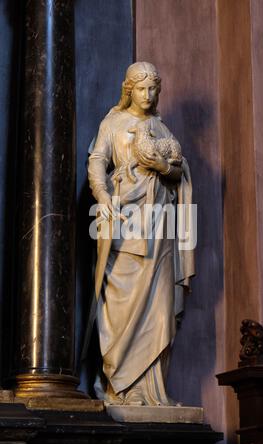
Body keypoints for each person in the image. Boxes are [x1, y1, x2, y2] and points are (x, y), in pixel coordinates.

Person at [83, 62, 195, 406]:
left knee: (160, 305)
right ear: (128, 89)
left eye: (153, 90)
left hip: (160, 226)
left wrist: (163, 167)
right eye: (142, 89)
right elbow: (97, 160)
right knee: (120, 300)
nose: (148, 96)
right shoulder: (112, 123)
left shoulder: (161, 128)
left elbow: (178, 172)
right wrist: (102, 195)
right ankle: (122, 385)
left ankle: (152, 391)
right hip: (125, 218)